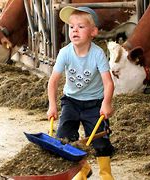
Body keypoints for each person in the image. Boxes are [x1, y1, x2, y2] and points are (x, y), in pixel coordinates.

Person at [47, 5, 115, 180]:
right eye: (71, 27)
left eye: (81, 27)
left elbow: (108, 82)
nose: (74, 31)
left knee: (100, 140)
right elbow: (53, 81)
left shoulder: (98, 54)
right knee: (64, 138)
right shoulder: (65, 53)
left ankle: (106, 174)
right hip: (71, 101)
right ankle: (81, 169)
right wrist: (52, 106)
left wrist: (106, 103)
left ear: (93, 32)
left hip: (94, 104)